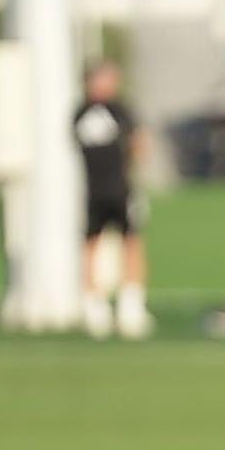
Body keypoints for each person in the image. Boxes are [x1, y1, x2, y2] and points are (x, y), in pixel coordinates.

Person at [73, 60, 152, 339]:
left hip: (121, 189)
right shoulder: (81, 113)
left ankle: (131, 304)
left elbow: (139, 142)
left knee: (131, 240)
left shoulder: (121, 110)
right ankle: (94, 305)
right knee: (91, 242)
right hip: (94, 191)